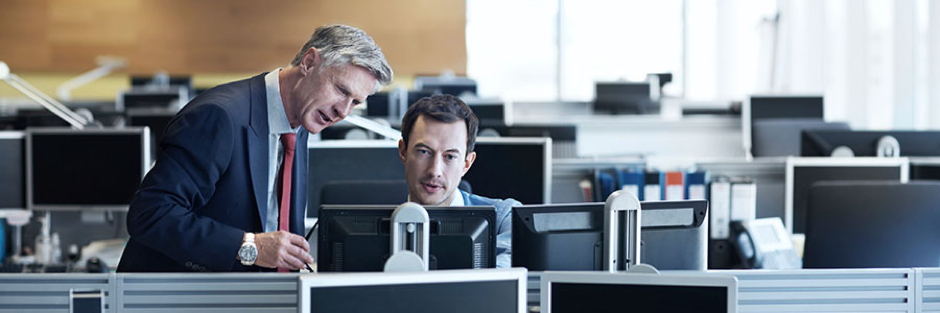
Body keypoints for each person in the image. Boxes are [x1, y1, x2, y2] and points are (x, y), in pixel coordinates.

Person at [118, 25, 393, 272]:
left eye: (356, 102)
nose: (343, 111)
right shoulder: (220, 116)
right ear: (309, 62)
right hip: (173, 297)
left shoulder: (303, 119)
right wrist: (250, 246)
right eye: (342, 90)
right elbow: (151, 214)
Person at [398, 94, 520, 268]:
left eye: (449, 156)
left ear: (466, 163)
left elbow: (500, 280)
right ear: (403, 151)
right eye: (424, 152)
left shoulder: (502, 219)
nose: (435, 171)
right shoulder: (366, 224)